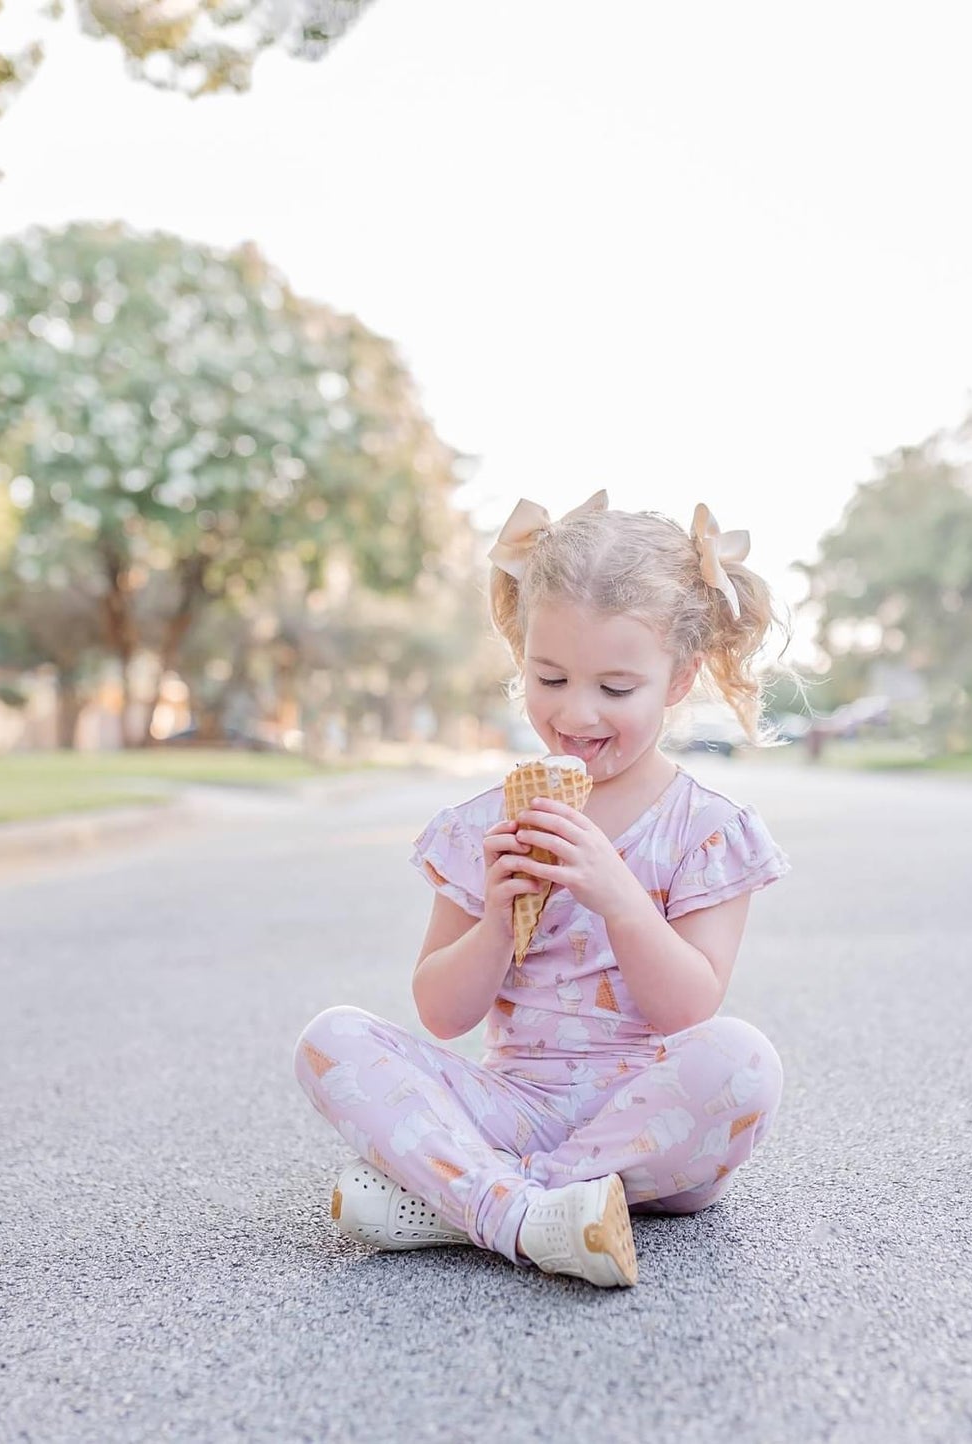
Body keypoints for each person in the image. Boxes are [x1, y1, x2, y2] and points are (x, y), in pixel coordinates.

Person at [293, 490, 793, 1288]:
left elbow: (688, 1008)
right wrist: (496, 916)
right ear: (521, 658)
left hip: (648, 1121)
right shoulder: (476, 828)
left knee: (744, 1060)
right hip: (512, 1100)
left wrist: (618, 896)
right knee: (331, 1039)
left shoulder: (706, 828)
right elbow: (441, 1013)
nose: (575, 712)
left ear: (678, 678)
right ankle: (534, 1215)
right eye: (549, 677)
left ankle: (468, 1201)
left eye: (615, 688)